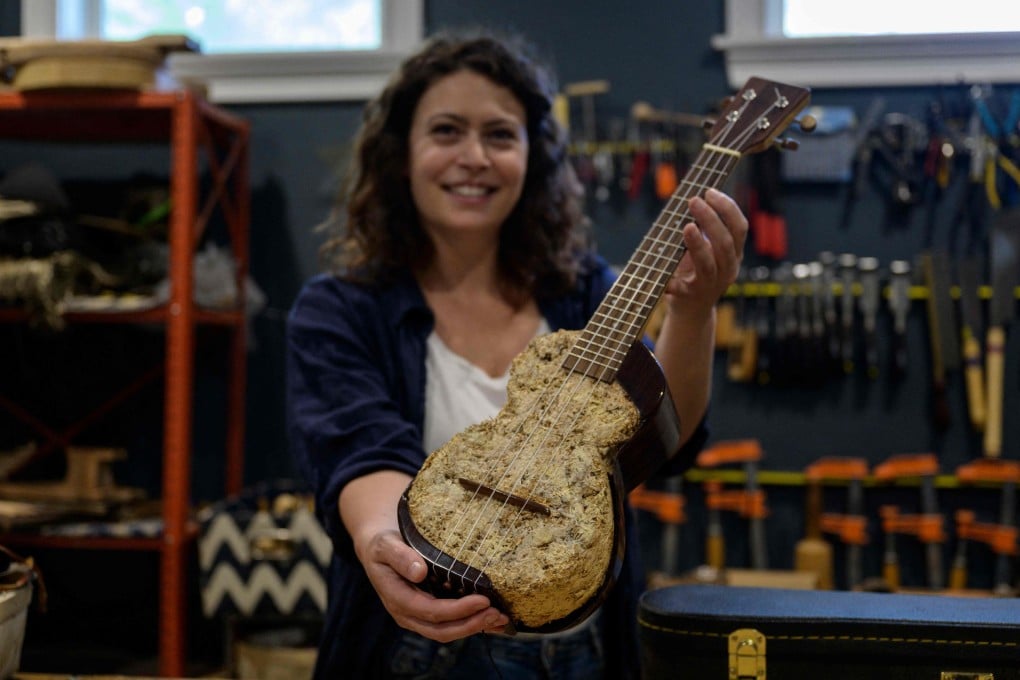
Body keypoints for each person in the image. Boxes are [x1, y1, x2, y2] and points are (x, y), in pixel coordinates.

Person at [286, 28, 747, 679]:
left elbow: (658, 438)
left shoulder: (588, 293)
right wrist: (385, 543)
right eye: (446, 131)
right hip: (407, 646)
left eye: (500, 135)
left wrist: (695, 310)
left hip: (581, 650)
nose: (473, 156)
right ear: (401, 153)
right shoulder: (340, 309)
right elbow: (360, 451)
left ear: (533, 156)